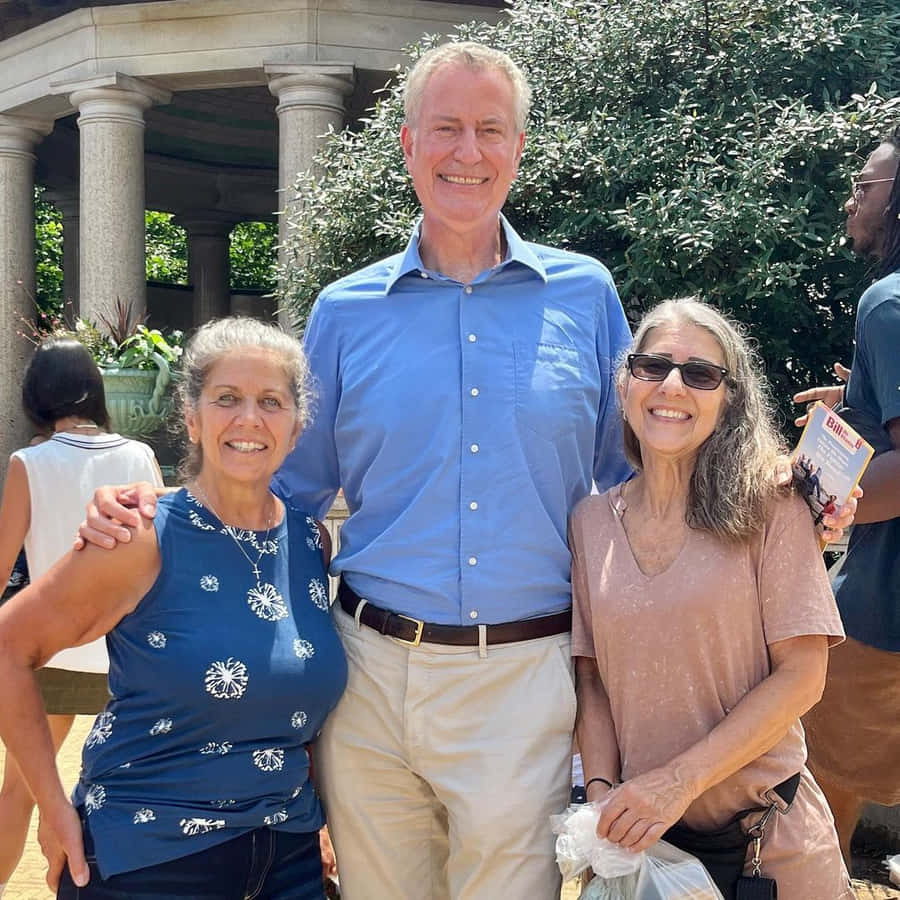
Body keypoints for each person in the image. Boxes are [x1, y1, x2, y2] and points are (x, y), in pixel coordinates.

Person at [76, 43, 856, 900]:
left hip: (524, 678)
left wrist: (780, 486)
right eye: (445, 128)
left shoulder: (585, 295)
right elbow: (276, 490)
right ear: (409, 146)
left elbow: (653, 451)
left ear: (518, 149)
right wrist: (159, 504)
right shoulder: (343, 313)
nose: (466, 151)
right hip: (367, 673)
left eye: (490, 130)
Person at [0, 318, 347, 899]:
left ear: (296, 427)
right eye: (226, 399)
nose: (249, 419)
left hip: (287, 858)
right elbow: (9, 646)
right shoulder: (138, 537)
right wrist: (51, 806)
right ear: (192, 417)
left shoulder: (312, 544)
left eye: (270, 402)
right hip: (151, 860)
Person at [571, 298, 853, 899]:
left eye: (700, 373)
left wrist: (677, 782)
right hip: (645, 852)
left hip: (769, 852)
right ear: (625, 386)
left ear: (728, 402)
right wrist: (600, 795)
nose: (673, 385)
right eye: (653, 366)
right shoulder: (590, 523)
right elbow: (591, 677)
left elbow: (804, 675)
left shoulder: (772, 505)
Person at [0, 339, 163, 897]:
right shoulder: (140, 455)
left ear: (35, 396)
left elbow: (1, 567)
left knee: (23, 793)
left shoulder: (30, 462)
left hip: (54, 653)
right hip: (131, 656)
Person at [796, 125, 900, 865]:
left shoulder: (888, 304)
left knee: (804, 782)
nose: (851, 201)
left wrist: (797, 492)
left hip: (880, 617)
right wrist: (859, 403)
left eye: (864, 186)